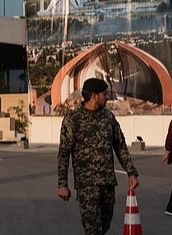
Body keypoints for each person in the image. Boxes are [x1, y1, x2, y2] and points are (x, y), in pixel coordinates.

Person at [57, 77, 140, 235]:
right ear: (94, 96)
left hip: (107, 184)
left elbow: (120, 146)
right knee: (93, 230)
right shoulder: (72, 121)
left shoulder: (108, 118)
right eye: (104, 94)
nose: (107, 97)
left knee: (104, 227)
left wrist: (131, 172)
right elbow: (63, 153)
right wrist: (62, 184)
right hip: (87, 186)